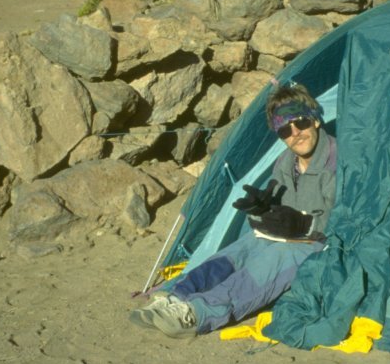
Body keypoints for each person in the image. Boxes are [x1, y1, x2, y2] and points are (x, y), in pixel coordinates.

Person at [130, 83, 337, 338]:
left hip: (321, 244)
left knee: (276, 258)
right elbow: (282, 216)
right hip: (287, 237)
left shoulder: (339, 160)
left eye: (301, 123)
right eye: (285, 129)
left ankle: (197, 312)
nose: (295, 133)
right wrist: (261, 213)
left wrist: (306, 226)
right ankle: (174, 295)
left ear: (314, 120)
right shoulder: (285, 163)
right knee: (239, 250)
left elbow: (351, 218)